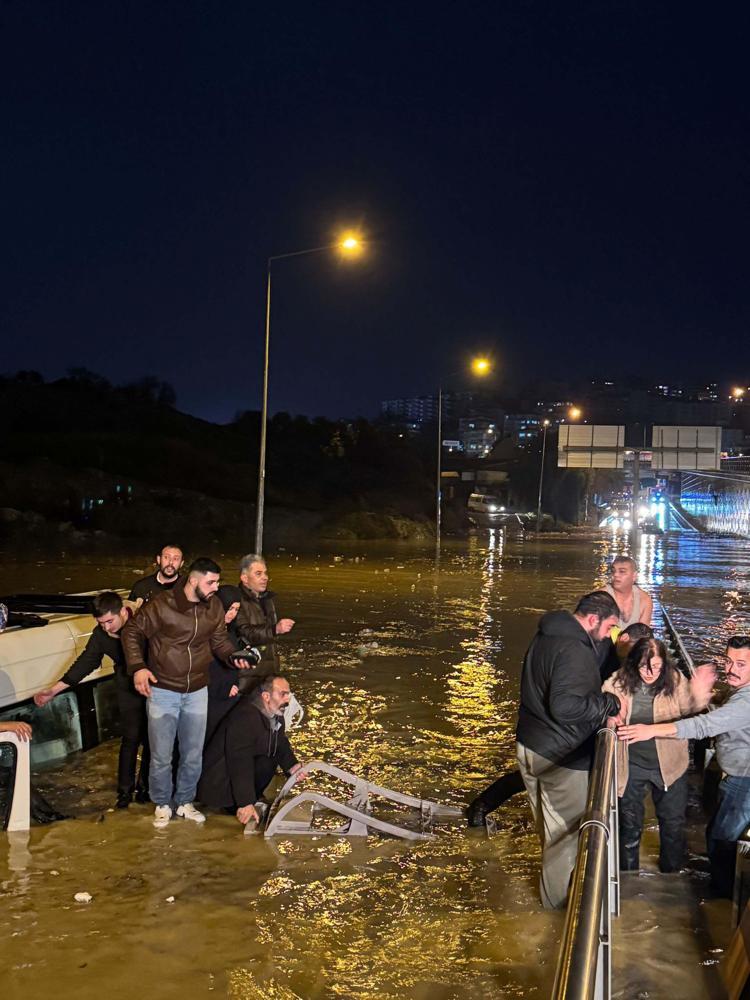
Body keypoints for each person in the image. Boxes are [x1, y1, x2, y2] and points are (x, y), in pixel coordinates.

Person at [122, 557, 258, 829]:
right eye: (211, 582)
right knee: (161, 755)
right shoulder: (162, 604)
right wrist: (138, 667)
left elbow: (219, 641)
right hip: (163, 690)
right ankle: (162, 803)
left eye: (217, 582)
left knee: (193, 754)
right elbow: (132, 632)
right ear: (194, 581)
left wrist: (234, 657)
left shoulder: (213, 606)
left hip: (197, 689)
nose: (216, 588)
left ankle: (184, 801)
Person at [619, 635, 750, 897]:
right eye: (728, 661)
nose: (731, 669)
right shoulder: (739, 691)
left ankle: (723, 896)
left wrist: (650, 730)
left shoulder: (745, 701)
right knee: (717, 833)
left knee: (721, 837)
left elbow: (703, 725)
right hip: (735, 773)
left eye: (741, 664)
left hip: (743, 778)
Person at [516, 590, 622, 909]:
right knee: (565, 839)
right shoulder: (574, 648)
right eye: (609, 627)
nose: (609, 635)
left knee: (550, 832)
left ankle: (549, 900)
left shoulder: (546, 635)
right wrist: (609, 703)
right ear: (593, 619)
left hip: (530, 745)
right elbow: (565, 707)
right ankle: (556, 916)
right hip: (561, 756)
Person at [603, 638, 712, 872]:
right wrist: (611, 718)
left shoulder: (675, 680)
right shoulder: (618, 682)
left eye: (657, 666)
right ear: (634, 663)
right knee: (629, 824)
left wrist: (699, 696)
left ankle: (671, 872)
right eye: (644, 666)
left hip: (670, 766)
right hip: (630, 765)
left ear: (664, 664)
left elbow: (690, 707)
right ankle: (628, 873)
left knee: (672, 823)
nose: (650, 673)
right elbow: (604, 707)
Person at [33, 591, 149, 809]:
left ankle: (146, 789)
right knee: (131, 738)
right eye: (100, 623)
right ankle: (124, 793)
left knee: (153, 738)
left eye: (109, 621)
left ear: (124, 612)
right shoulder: (101, 635)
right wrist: (53, 691)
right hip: (127, 685)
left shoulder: (146, 620)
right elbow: (86, 662)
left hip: (155, 683)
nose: (106, 627)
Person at [198, 673, 303, 827]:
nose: (287, 699)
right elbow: (240, 761)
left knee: (270, 757)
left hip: (239, 773)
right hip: (220, 781)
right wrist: (245, 802)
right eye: (283, 694)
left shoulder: (275, 712)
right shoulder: (245, 716)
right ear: (266, 696)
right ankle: (236, 804)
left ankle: (249, 798)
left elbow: (280, 742)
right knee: (257, 761)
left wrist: (292, 766)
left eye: (288, 694)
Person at [235, 554, 295, 669]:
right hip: (248, 668)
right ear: (245, 578)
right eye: (258, 574)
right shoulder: (236, 601)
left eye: (265, 573)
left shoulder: (267, 599)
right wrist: (275, 629)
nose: (265, 577)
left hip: (267, 666)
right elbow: (245, 633)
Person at [604, 555, 653, 628]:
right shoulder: (601, 597)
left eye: (622, 571)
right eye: (613, 571)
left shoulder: (645, 600)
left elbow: (643, 632)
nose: (615, 574)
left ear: (634, 576)